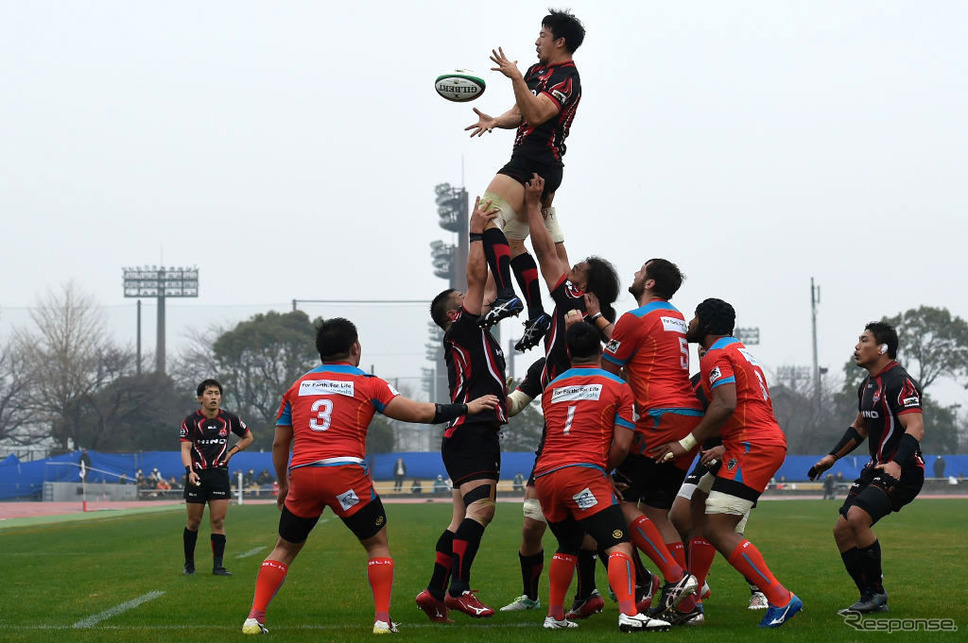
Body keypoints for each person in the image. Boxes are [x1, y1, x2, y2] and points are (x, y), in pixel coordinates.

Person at [242, 317, 498, 635]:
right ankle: (381, 620)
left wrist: (283, 485)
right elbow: (418, 413)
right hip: (346, 475)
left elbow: (281, 442)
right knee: (376, 544)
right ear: (355, 348)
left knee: (283, 548)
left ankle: (254, 617)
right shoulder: (367, 382)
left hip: (303, 475)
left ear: (320, 352)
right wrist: (465, 408)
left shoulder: (297, 387)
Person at [500, 174, 621, 619]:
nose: (568, 274)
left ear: (584, 290)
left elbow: (548, 254)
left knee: (589, 526)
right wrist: (549, 207)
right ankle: (543, 596)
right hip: (556, 436)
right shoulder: (577, 311)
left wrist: (533, 204)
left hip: (588, 436)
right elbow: (561, 254)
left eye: (577, 277)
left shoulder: (587, 319)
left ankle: (618, 589)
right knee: (536, 523)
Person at [653, 298, 802, 628]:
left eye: (694, 319)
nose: (690, 324)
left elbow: (725, 405)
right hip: (748, 443)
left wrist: (686, 443)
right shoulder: (738, 351)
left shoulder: (717, 355)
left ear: (705, 325)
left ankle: (779, 597)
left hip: (752, 446)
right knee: (694, 506)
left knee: (719, 529)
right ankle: (691, 597)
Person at [533, 321, 670, 632]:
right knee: (617, 543)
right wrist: (602, 473)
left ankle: (555, 616)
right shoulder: (617, 386)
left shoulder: (552, 388)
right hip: (583, 474)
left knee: (568, 543)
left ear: (568, 351)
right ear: (601, 349)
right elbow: (622, 443)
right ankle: (630, 613)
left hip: (545, 476)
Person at [466, 10, 585, 351]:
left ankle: (506, 294)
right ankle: (536, 312)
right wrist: (495, 120)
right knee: (514, 242)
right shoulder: (537, 72)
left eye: (542, 35)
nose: (536, 41)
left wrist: (515, 78)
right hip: (530, 160)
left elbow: (537, 113)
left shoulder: (567, 78)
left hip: (537, 161)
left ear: (559, 41)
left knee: (486, 216)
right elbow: (521, 113)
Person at [418, 197, 510, 621]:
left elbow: (488, 285)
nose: (475, 297)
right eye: (465, 297)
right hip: (472, 431)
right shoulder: (462, 326)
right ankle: (458, 587)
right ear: (456, 312)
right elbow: (478, 282)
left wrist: (505, 235)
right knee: (483, 510)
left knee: (461, 518)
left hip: (468, 431)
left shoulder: (475, 329)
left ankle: (435, 592)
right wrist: (475, 231)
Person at [602, 258, 701, 624]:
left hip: (656, 416)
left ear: (649, 283)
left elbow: (607, 374)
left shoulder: (635, 318)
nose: (634, 274)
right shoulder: (676, 316)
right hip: (686, 417)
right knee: (657, 511)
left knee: (620, 499)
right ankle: (688, 607)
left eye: (640, 271)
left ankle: (674, 578)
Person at [808, 321, 925, 615]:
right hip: (877, 469)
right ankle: (869, 596)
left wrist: (897, 463)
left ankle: (877, 594)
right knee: (842, 530)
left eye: (864, 341)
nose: (857, 347)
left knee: (857, 518)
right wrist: (832, 457)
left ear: (882, 349)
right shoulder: (868, 384)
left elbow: (916, 427)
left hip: (905, 470)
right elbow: (860, 427)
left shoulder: (901, 381)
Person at [179, 378, 254, 576]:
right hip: (197, 476)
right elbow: (185, 449)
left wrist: (231, 452)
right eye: (209, 393)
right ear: (200, 398)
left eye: (217, 393)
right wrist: (190, 471)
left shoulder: (229, 419)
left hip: (219, 475)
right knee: (193, 522)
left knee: (218, 522)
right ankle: (189, 564)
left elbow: (248, 437)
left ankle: (218, 567)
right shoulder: (190, 421)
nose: (214, 397)